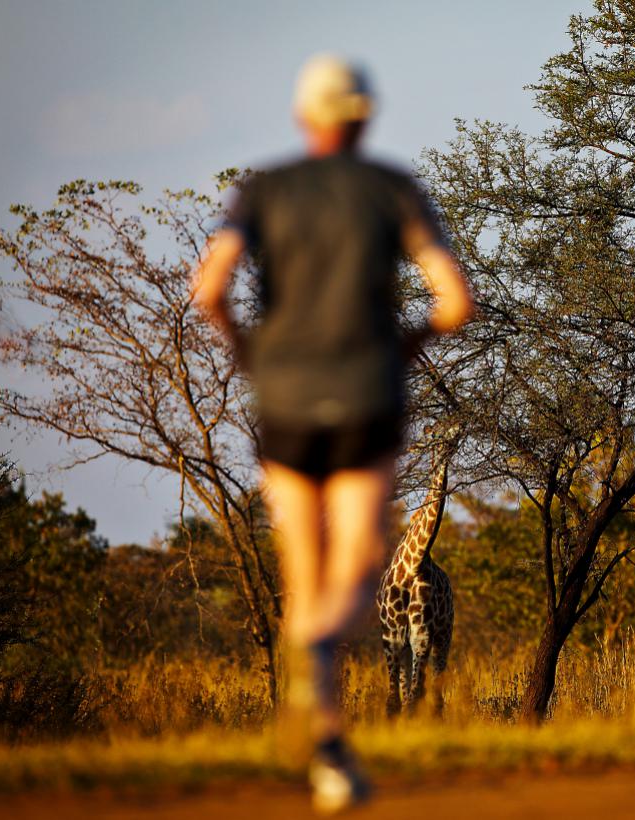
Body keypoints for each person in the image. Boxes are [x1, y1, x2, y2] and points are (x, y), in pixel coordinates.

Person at [191, 53, 474, 814]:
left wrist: (249, 348)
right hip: (366, 395)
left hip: (282, 396)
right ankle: (322, 680)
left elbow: (209, 288)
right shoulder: (394, 189)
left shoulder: (261, 189)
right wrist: (407, 346)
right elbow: (455, 302)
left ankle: (322, 737)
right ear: (365, 117)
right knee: (357, 565)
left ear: (303, 116)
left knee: (303, 567)